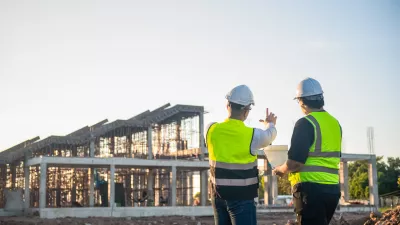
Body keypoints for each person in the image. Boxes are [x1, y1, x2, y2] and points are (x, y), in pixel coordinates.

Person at [272, 78, 342, 225]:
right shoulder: (335, 123)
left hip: (311, 190)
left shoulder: (305, 123)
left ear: (302, 101)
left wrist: (281, 169)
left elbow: (295, 163)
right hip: (332, 190)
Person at [206, 84, 278, 225]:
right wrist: (270, 123)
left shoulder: (211, 129)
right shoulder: (253, 135)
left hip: (218, 196)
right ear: (246, 111)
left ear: (228, 105)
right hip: (242, 199)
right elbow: (270, 135)